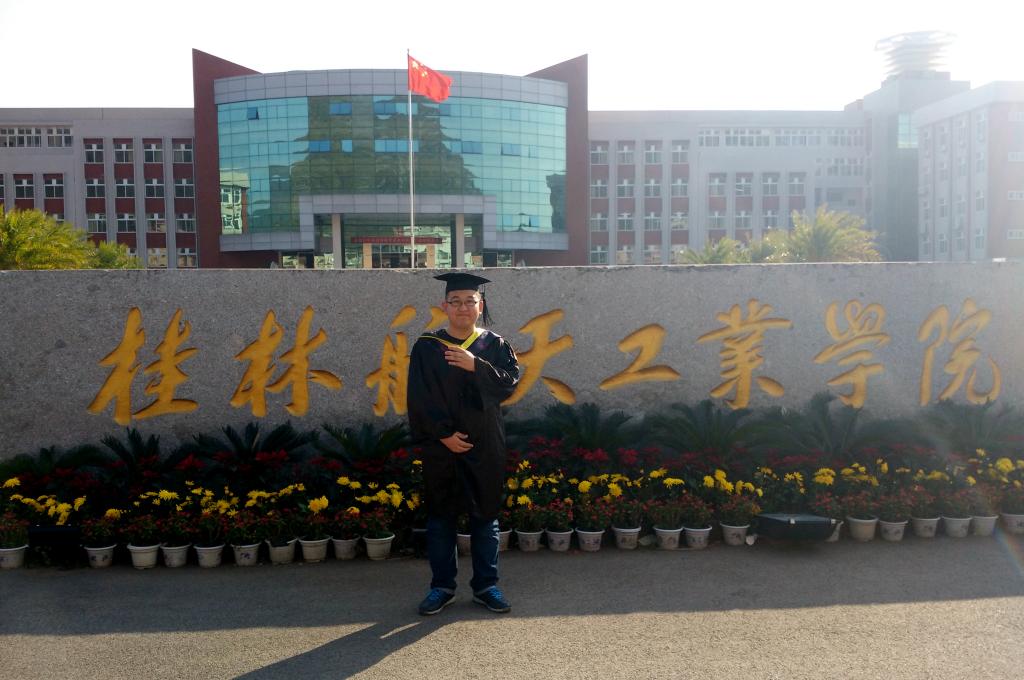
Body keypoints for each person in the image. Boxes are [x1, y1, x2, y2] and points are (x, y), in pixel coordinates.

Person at [407, 272, 521, 615]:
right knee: (441, 518)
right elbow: (419, 397)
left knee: (485, 517)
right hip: (441, 446)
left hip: (484, 444)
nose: (462, 308)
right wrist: (442, 434)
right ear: (444, 306)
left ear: (480, 306)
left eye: (469, 301)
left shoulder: (495, 345)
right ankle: (442, 587)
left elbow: (509, 384)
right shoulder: (427, 346)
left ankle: (486, 586)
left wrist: (476, 366)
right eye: (455, 301)